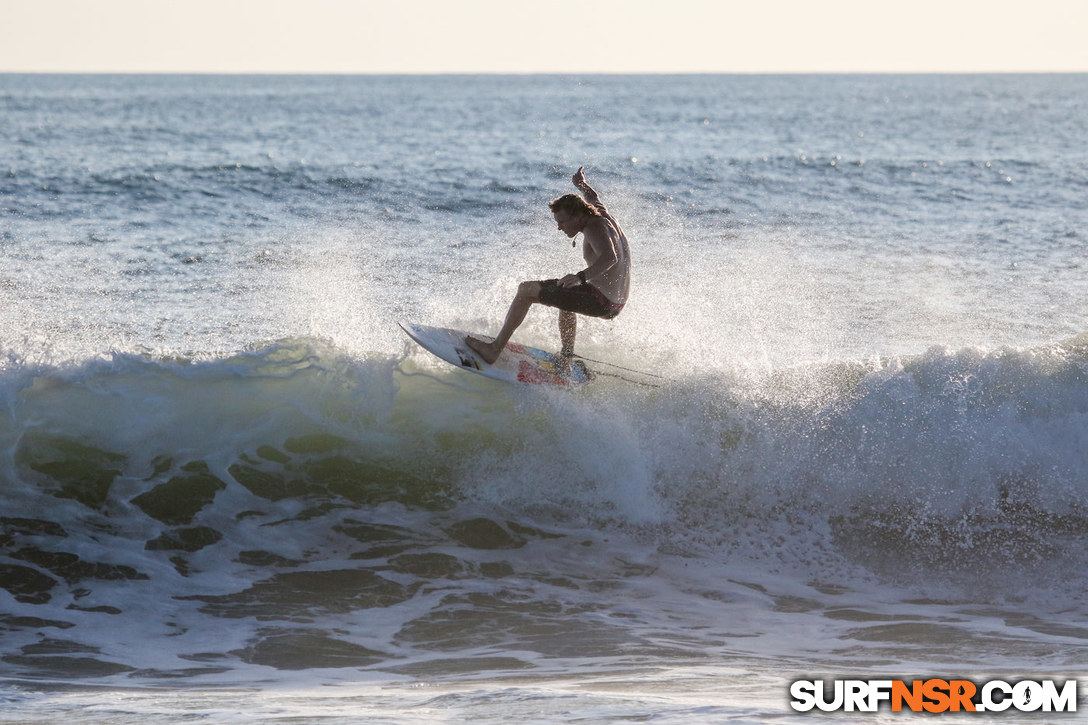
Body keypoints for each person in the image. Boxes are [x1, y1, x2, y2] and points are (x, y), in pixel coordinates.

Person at [467, 167, 631, 365]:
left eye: (562, 221)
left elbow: (609, 258)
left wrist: (580, 277)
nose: (559, 227)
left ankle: (493, 350)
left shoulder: (593, 227)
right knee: (566, 290)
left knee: (526, 290)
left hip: (601, 301)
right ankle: (566, 357)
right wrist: (581, 185)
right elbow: (592, 196)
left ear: (578, 215)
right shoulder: (600, 214)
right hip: (615, 302)